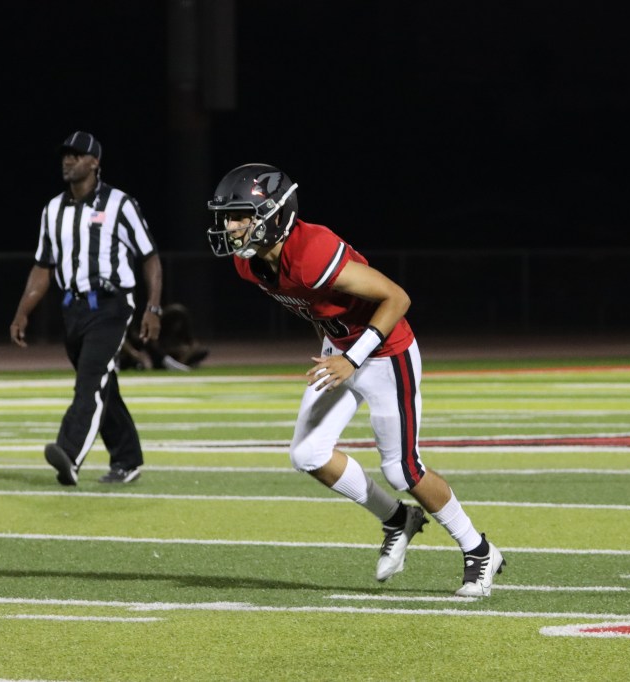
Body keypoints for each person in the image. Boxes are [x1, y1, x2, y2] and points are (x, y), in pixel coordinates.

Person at [206, 163, 505, 597]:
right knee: (308, 453)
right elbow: (315, 307)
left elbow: (397, 297)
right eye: (227, 217)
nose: (230, 227)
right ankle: (398, 518)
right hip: (342, 351)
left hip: (385, 353)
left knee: (402, 470)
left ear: (274, 215)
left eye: (239, 216)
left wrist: (352, 358)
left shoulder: (312, 251)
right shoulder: (248, 265)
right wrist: (335, 351)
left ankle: (479, 549)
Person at [10, 130, 162, 486]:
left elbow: (150, 257)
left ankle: (69, 453)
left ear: (95, 162)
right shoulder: (52, 209)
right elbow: (42, 266)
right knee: (102, 383)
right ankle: (127, 459)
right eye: (66, 154)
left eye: (77, 155)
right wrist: (22, 312)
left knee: (89, 379)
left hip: (111, 305)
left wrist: (153, 307)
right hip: (73, 309)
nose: (68, 160)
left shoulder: (120, 204)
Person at [118, 303, 210, 372]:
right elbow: (122, 339)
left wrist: (182, 353)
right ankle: (171, 364)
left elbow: (192, 344)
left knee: (201, 352)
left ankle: (174, 364)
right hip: (125, 352)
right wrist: (134, 353)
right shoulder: (116, 317)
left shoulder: (183, 328)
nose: (177, 325)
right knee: (145, 349)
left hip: (167, 353)